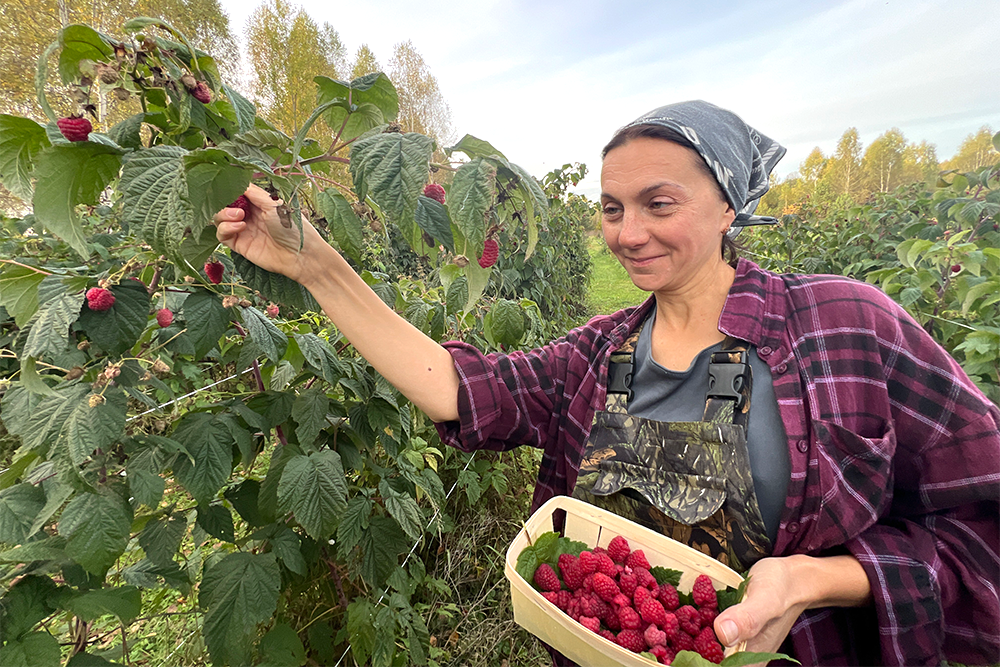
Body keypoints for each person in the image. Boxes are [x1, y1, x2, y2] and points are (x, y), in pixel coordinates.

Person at [213, 101, 1000, 667]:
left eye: (660, 203)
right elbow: (457, 386)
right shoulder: (599, 352)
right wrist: (316, 266)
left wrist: (810, 579)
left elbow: (980, 523)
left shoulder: (846, 326)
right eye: (613, 207)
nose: (628, 232)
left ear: (729, 205)